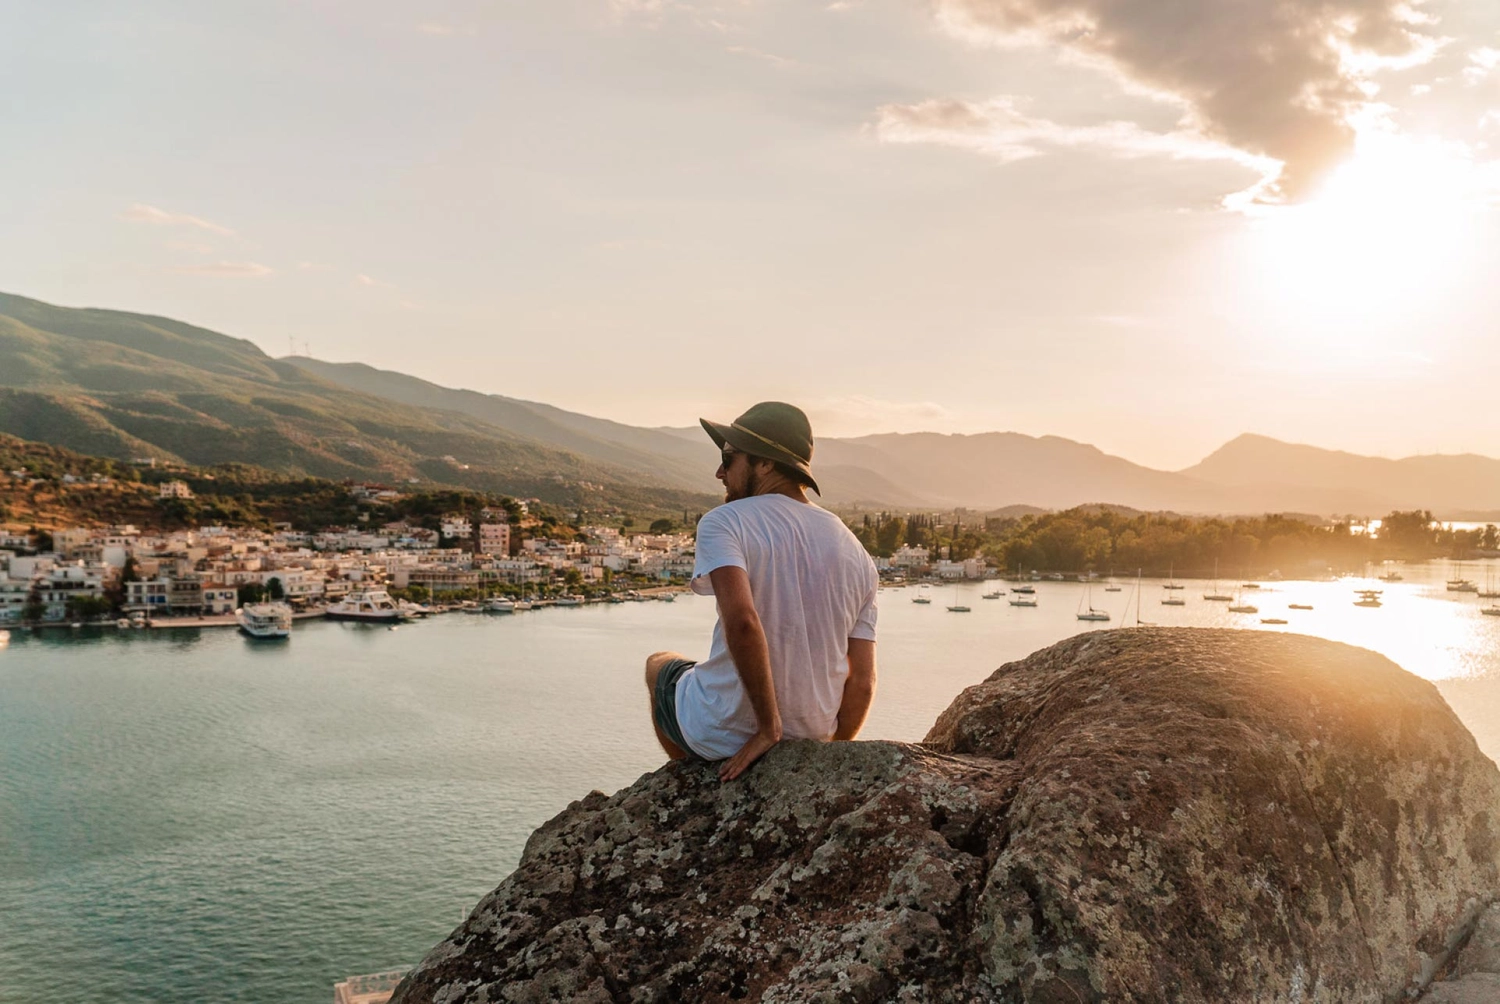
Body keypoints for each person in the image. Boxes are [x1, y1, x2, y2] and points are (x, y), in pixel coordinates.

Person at [645, 401, 879, 782]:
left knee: (658, 664)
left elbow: (743, 622)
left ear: (766, 463)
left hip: (725, 733)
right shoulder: (856, 551)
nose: (720, 472)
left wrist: (770, 728)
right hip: (812, 737)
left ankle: (690, 778)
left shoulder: (725, 522)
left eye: (729, 457)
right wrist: (831, 752)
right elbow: (863, 680)